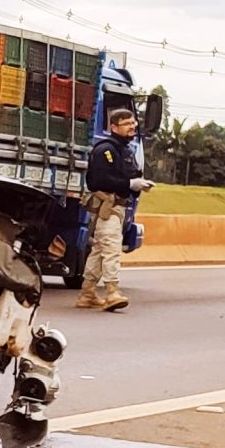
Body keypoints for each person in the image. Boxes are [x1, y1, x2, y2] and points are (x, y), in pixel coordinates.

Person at [78, 107, 151, 312]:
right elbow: (100, 180)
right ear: (113, 126)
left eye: (133, 123)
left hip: (118, 207)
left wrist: (138, 184)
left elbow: (129, 175)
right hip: (106, 208)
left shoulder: (125, 150)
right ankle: (112, 292)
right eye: (127, 124)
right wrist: (130, 184)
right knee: (110, 249)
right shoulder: (106, 150)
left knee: (99, 251)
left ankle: (87, 293)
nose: (132, 127)